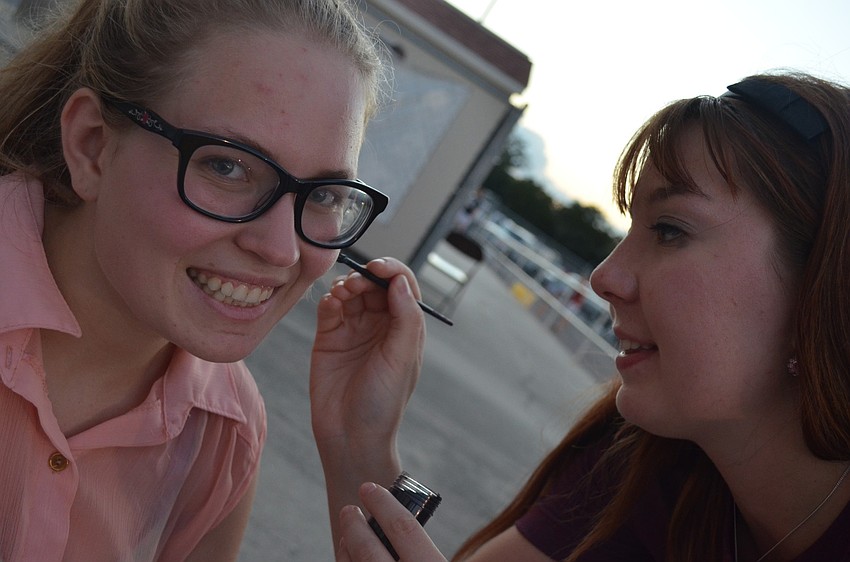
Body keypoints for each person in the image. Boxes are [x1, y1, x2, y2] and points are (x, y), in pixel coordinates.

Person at [329, 70, 850, 561]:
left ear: (824, 290)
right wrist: (359, 437)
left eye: (669, 229)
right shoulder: (649, 464)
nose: (603, 277)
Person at [0, 0, 426, 560]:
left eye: (323, 195)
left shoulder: (227, 434)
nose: (280, 248)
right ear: (92, 146)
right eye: (226, 165)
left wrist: (359, 454)